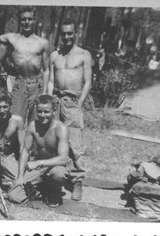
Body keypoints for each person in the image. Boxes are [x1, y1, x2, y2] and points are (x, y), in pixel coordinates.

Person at [8, 95, 83, 207]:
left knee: (59, 174)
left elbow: (63, 159)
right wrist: (20, 176)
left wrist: (38, 163)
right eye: (39, 111)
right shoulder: (33, 126)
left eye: (46, 112)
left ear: (54, 110)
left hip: (54, 166)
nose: (43, 115)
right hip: (37, 168)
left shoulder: (61, 128)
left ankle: (52, 190)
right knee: (14, 196)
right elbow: (25, 151)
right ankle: (39, 190)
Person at [47, 18, 92, 201]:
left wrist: (79, 103)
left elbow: (88, 82)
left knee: (74, 144)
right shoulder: (54, 55)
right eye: (63, 33)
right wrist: (48, 102)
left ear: (75, 34)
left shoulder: (84, 55)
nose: (66, 37)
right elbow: (50, 80)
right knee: (52, 139)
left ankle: (77, 181)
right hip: (55, 101)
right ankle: (54, 177)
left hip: (73, 102)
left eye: (70, 33)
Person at [0, 6, 50, 124]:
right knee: (15, 122)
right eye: (23, 19)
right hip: (20, 84)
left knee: (36, 124)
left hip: (37, 85)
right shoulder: (12, 38)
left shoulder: (42, 42)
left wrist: (45, 92)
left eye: (30, 19)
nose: (27, 22)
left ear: (35, 20)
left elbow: (47, 70)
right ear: (19, 20)